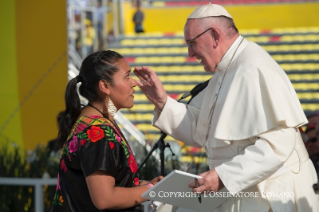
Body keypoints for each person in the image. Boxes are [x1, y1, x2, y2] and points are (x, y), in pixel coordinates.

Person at [134, 3, 319, 211]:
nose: (190, 53)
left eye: (192, 43)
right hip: (244, 192)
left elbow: (278, 144)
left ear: (214, 35)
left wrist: (223, 176)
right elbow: (200, 130)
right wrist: (162, 102)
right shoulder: (223, 71)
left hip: (272, 194)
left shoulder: (253, 67)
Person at [51, 50, 163, 212]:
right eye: (127, 76)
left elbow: (106, 182)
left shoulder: (98, 119)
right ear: (105, 86)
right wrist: (153, 188)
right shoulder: (97, 133)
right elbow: (105, 199)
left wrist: (144, 185)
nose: (134, 83)